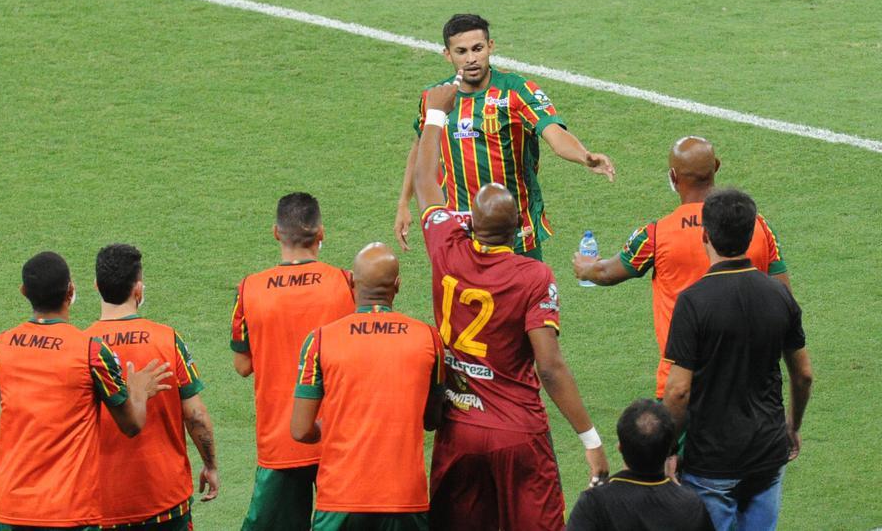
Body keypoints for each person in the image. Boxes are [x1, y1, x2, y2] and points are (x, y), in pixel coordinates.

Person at [414, 78, 609, 531]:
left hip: (458, 428)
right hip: (519, 432)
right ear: (520, 223)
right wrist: (590, 439)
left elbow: (426, 183)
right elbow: (551, 368)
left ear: (469, 221)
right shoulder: (533, 276)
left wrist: (436, 115)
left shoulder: (445, 246)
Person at [573, 136, 789, 398]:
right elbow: (783, 301)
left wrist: (585, 268)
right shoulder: (756, 225)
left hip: (684, 384)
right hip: (751, 382)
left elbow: (607, 273)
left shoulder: (655, 234)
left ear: (673, 177)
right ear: (716, 167)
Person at [394, 13, 615, 260]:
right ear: (448, 54)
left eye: (477, 49)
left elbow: (554, 134)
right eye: (461, 51)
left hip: (516, 231)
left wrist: (585, 157)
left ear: (490, 46)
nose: (471, 59)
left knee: (527, 297)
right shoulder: (434, 98)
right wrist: (404, 203)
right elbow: (420, 147)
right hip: (460, 233)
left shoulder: (516, 90)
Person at [663, 189, 813, 531]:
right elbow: (803, 374)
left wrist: (670, 448)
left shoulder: (693, 303)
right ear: (750, 236)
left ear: (706, 235)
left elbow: (678, 392)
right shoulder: (779, 296)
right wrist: (793, 425)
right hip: (767, 452)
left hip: (711, 460)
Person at [0, 251, 172, 531]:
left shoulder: (1, 347)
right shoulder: (91, 351)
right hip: (69, 511)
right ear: (70, 291)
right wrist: (138, 390)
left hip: (13, 508)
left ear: (24, 292)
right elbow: (132, 424)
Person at [290, 242, 446, 531]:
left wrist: (325, 428)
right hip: (404, 499)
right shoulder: (429, 339)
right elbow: (432, 420)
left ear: (351, 280)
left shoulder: (320, 341)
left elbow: (300, 430)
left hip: (340, 500)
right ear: (397, 285)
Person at [230, 193, 356, 530]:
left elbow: (242, 366)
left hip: (280, 443)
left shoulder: (249, 289)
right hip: (338, 439)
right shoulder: (347, 284)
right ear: (321, 234)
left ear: (276, 232)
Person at [87, 243, 219, 530]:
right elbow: (196, 415)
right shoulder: (167, 340)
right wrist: (210, 465)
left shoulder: (81, 349)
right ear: (138, 289)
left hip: (102, 505)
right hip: (166, 503)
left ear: (97, 286)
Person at [567, 399, 712, 531]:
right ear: (668, 451)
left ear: (620, 448)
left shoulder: (594, 503)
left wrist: (592, 493)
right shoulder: (690, 504)